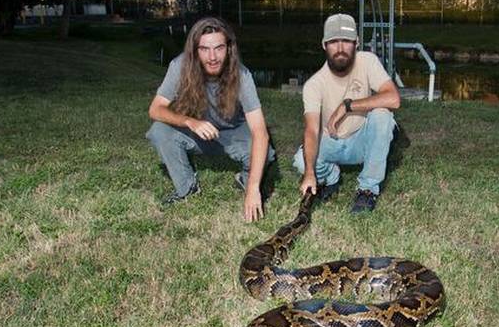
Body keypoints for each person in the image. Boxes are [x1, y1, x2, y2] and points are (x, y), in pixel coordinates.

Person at [147, 16, 274, 222]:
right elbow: (155, 109)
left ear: (229, 48)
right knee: (159, 130)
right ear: (194, 50)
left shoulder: (242, 75)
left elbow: (260, 130)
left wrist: (253, 189)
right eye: (204, 49)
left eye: (219, 48)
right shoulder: (179, 66)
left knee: (265, 151)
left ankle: (245, 179)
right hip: (198, 132)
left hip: (233, 133)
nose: (212, 57)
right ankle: (187, 189)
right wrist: (190, 122)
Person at [294, 13, 401, 213]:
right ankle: (331, 177)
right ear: (324, 45)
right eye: (334, 42)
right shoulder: (314, 85)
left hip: (361, 140)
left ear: (357, 43)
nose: (341, 49)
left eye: (347, 41)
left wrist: (348, 105)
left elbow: (393, 98)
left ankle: (367, 189)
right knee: (301, 161)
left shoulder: (368, 61)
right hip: (331, 142)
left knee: (383, 116)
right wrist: (309, 173)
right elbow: (311, 130)